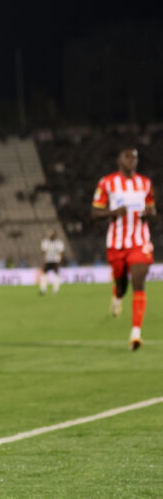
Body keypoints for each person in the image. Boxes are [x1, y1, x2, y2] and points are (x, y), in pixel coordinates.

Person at [91, 147, 156, 350]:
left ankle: (136, 334)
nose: (132, 160)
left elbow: (152, 208)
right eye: (128, 157)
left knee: (138, 280)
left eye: (135, 158)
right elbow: (95, 212)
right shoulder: (107, 182)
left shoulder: (145, 183)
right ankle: (117, 295)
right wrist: (113, 212)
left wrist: (149, 213)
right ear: (119, 160)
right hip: (117, 243)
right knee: (122, 285)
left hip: (140, 240)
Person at [38, 230, 65, 296]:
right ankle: (43, 289)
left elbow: (61, 252)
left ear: (55, 235)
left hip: (56, 260)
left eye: (52, 235)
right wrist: (44, 260)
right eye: (50, 235)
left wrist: (60, 261)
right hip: (48, 260)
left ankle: (55, 290)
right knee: (44, 274)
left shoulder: (59, 242)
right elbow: (43, 251)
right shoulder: (45, 242)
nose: (51, 236)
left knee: (56, 275)